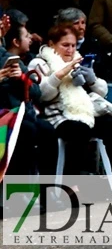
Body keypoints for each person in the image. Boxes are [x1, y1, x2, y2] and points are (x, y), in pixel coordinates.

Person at [29, 26, 112, 192]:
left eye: (73, 45)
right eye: (65, 45)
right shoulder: (39, 63)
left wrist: (92, 79)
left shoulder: (78, 59)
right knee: (79, 129)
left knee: (110, 123)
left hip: (85, 111)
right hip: (56, 115)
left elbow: (103, 92)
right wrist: (59, 75)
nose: (70, 50)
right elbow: (42, 95)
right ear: (52, 44)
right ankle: (71, 186)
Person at [1, 19, 58, 176]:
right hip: (4, 117)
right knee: (26, 131)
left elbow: (37, 92)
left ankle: (48, 191)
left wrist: (21, 79)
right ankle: (18, 191)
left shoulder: (9, 58)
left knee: (47, 130)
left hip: (18, 114)